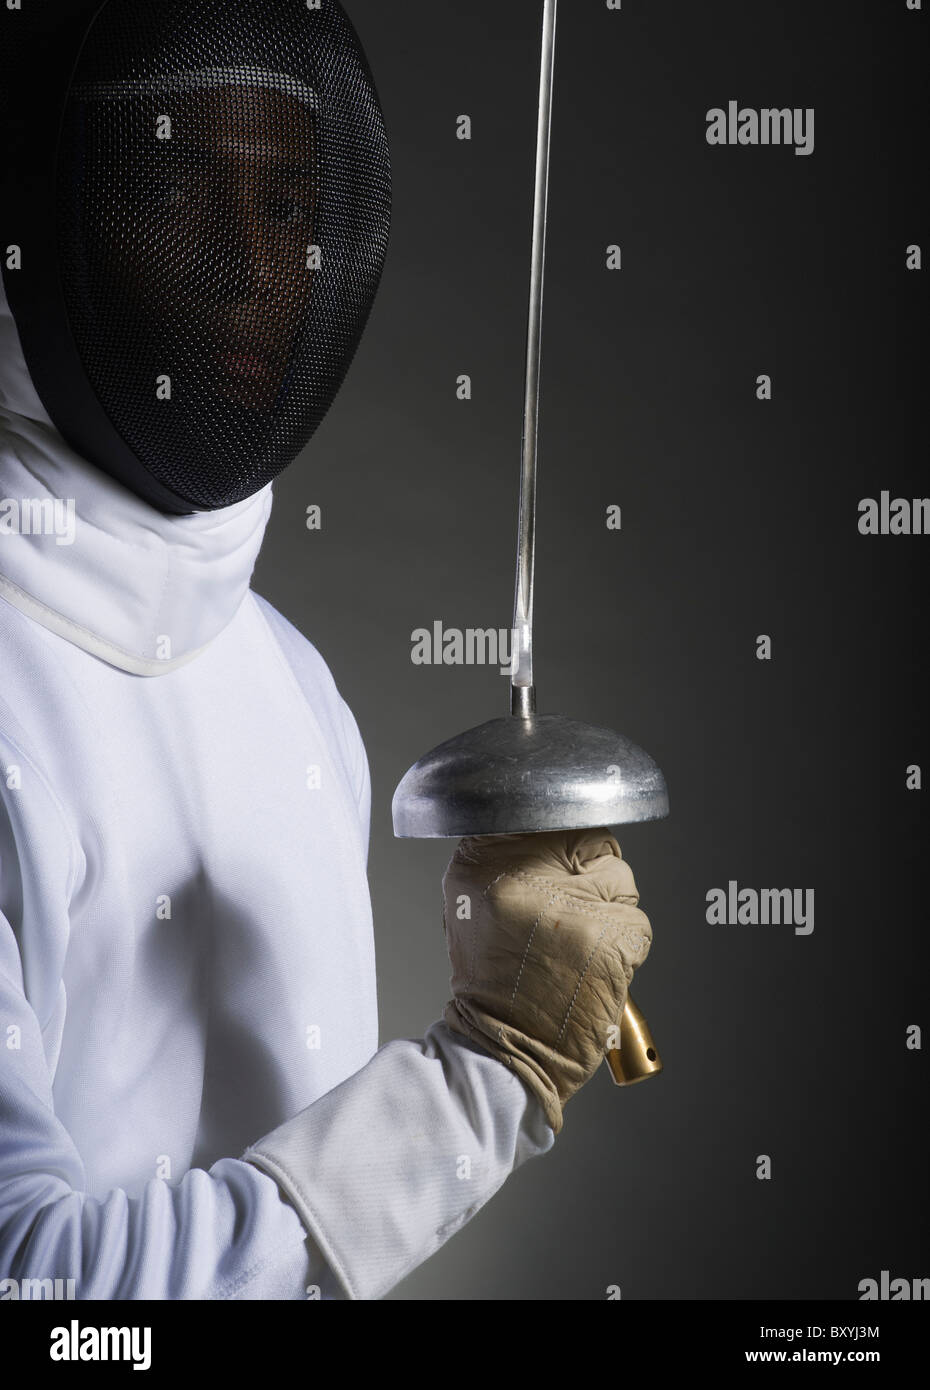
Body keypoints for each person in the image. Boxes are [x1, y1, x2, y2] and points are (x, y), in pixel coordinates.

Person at [0, 0, 654, 1301]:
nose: (252, 263)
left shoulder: (292, 684)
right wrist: (481, 1079)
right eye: (177, 185)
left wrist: (501, 1039)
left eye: (293, 203)